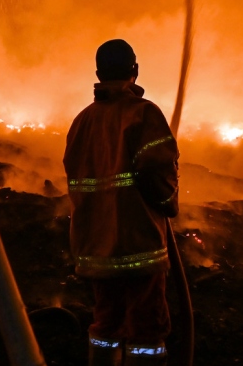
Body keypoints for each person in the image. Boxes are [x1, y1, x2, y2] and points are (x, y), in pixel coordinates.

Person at [64, 39, 180, 366]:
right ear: (135, 71)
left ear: (99, 74)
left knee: (105, 322)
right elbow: (159, 176)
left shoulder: (82, 122)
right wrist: (170, 204)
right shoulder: (143, 114)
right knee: (147, 330)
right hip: (138, 243)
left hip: (96, 246)